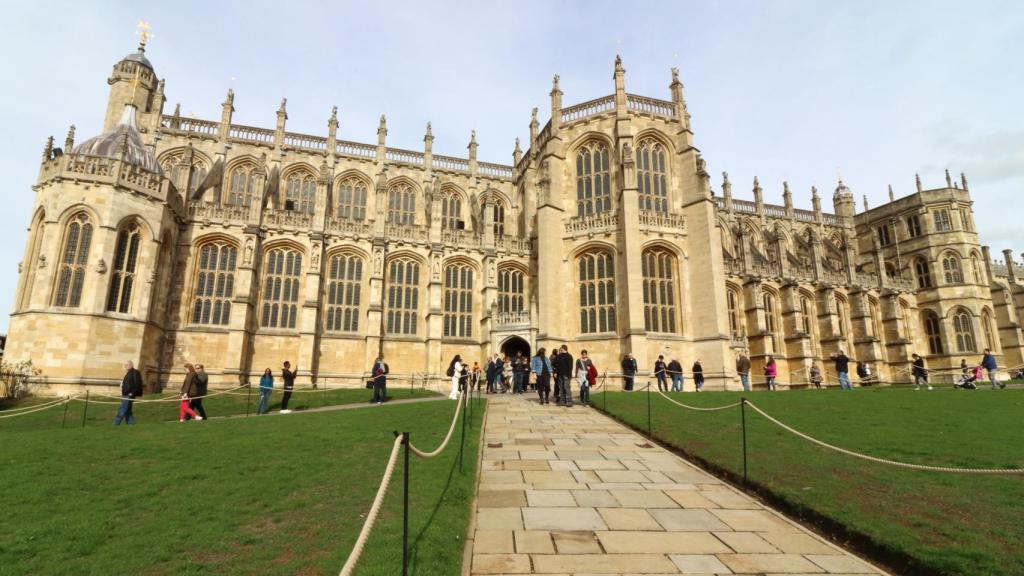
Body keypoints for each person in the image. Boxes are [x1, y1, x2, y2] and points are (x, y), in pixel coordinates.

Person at [113, 360, 143, 425]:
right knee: (128, 410)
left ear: (131, 365)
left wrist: (132, 392)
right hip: (125, 394)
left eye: (127, 365)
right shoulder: (128, 373)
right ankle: (131, 424)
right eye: (125, 365)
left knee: (122, 409)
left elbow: (137, 384)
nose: (125, 366)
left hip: (129, 394)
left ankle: (115, 424)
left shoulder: (135, 372)